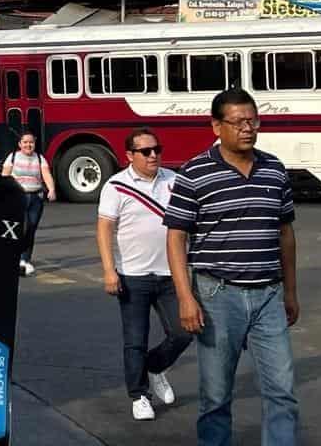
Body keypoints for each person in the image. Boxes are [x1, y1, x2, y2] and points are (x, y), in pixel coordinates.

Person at [164, 88, 299, 446]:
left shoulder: (274, 169)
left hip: (269, 295)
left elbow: (285, 233)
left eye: (253, 120)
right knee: (216, 397)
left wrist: (290, 291)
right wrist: (184, 297)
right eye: (238, 121)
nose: (247, 128)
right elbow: (176, 237)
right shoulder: (195, 173)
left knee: (282, 391)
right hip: (217, 295)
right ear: (216, 126)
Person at [97, 127, 191, 421]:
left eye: (157, 150)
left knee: (184, 331)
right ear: (129, 156)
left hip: (170, 274)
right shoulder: (116, 185)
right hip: (132, 276)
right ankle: (139, 395)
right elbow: (104, 229)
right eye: (146, 151)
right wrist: (109, 270)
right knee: (135, 340)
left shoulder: (173, 181)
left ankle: (155, 367)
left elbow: (189, 222)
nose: (154, 156)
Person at [2, 131, 56, 277]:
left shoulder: (39, 158)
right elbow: (5, 176)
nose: (28, 145)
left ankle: (25, 259)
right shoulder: (12, 157)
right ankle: (14, 257)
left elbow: (46, 174)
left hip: (36, 198)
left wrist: (51, 189)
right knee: (22, 227)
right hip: (17, 197)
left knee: (31, 229)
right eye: (25, 142)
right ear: (20, 144)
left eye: (31, 142)